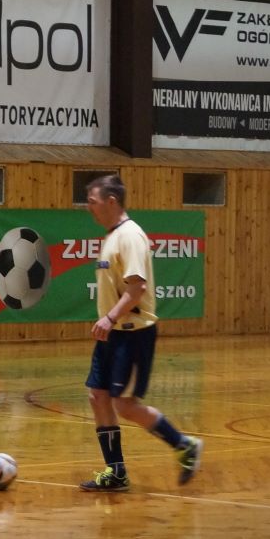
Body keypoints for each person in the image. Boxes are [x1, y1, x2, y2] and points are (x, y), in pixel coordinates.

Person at [78, 174, 202, 492]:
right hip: (113, 333)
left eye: (92, 202)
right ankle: (116, 472)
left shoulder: (130, 236)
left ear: (111, 201)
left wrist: (109, 318)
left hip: (132, 334)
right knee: (97, 396)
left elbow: (137, 289)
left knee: (125, 405)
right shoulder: (111, 236)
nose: (88, 208)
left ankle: (184, 445)